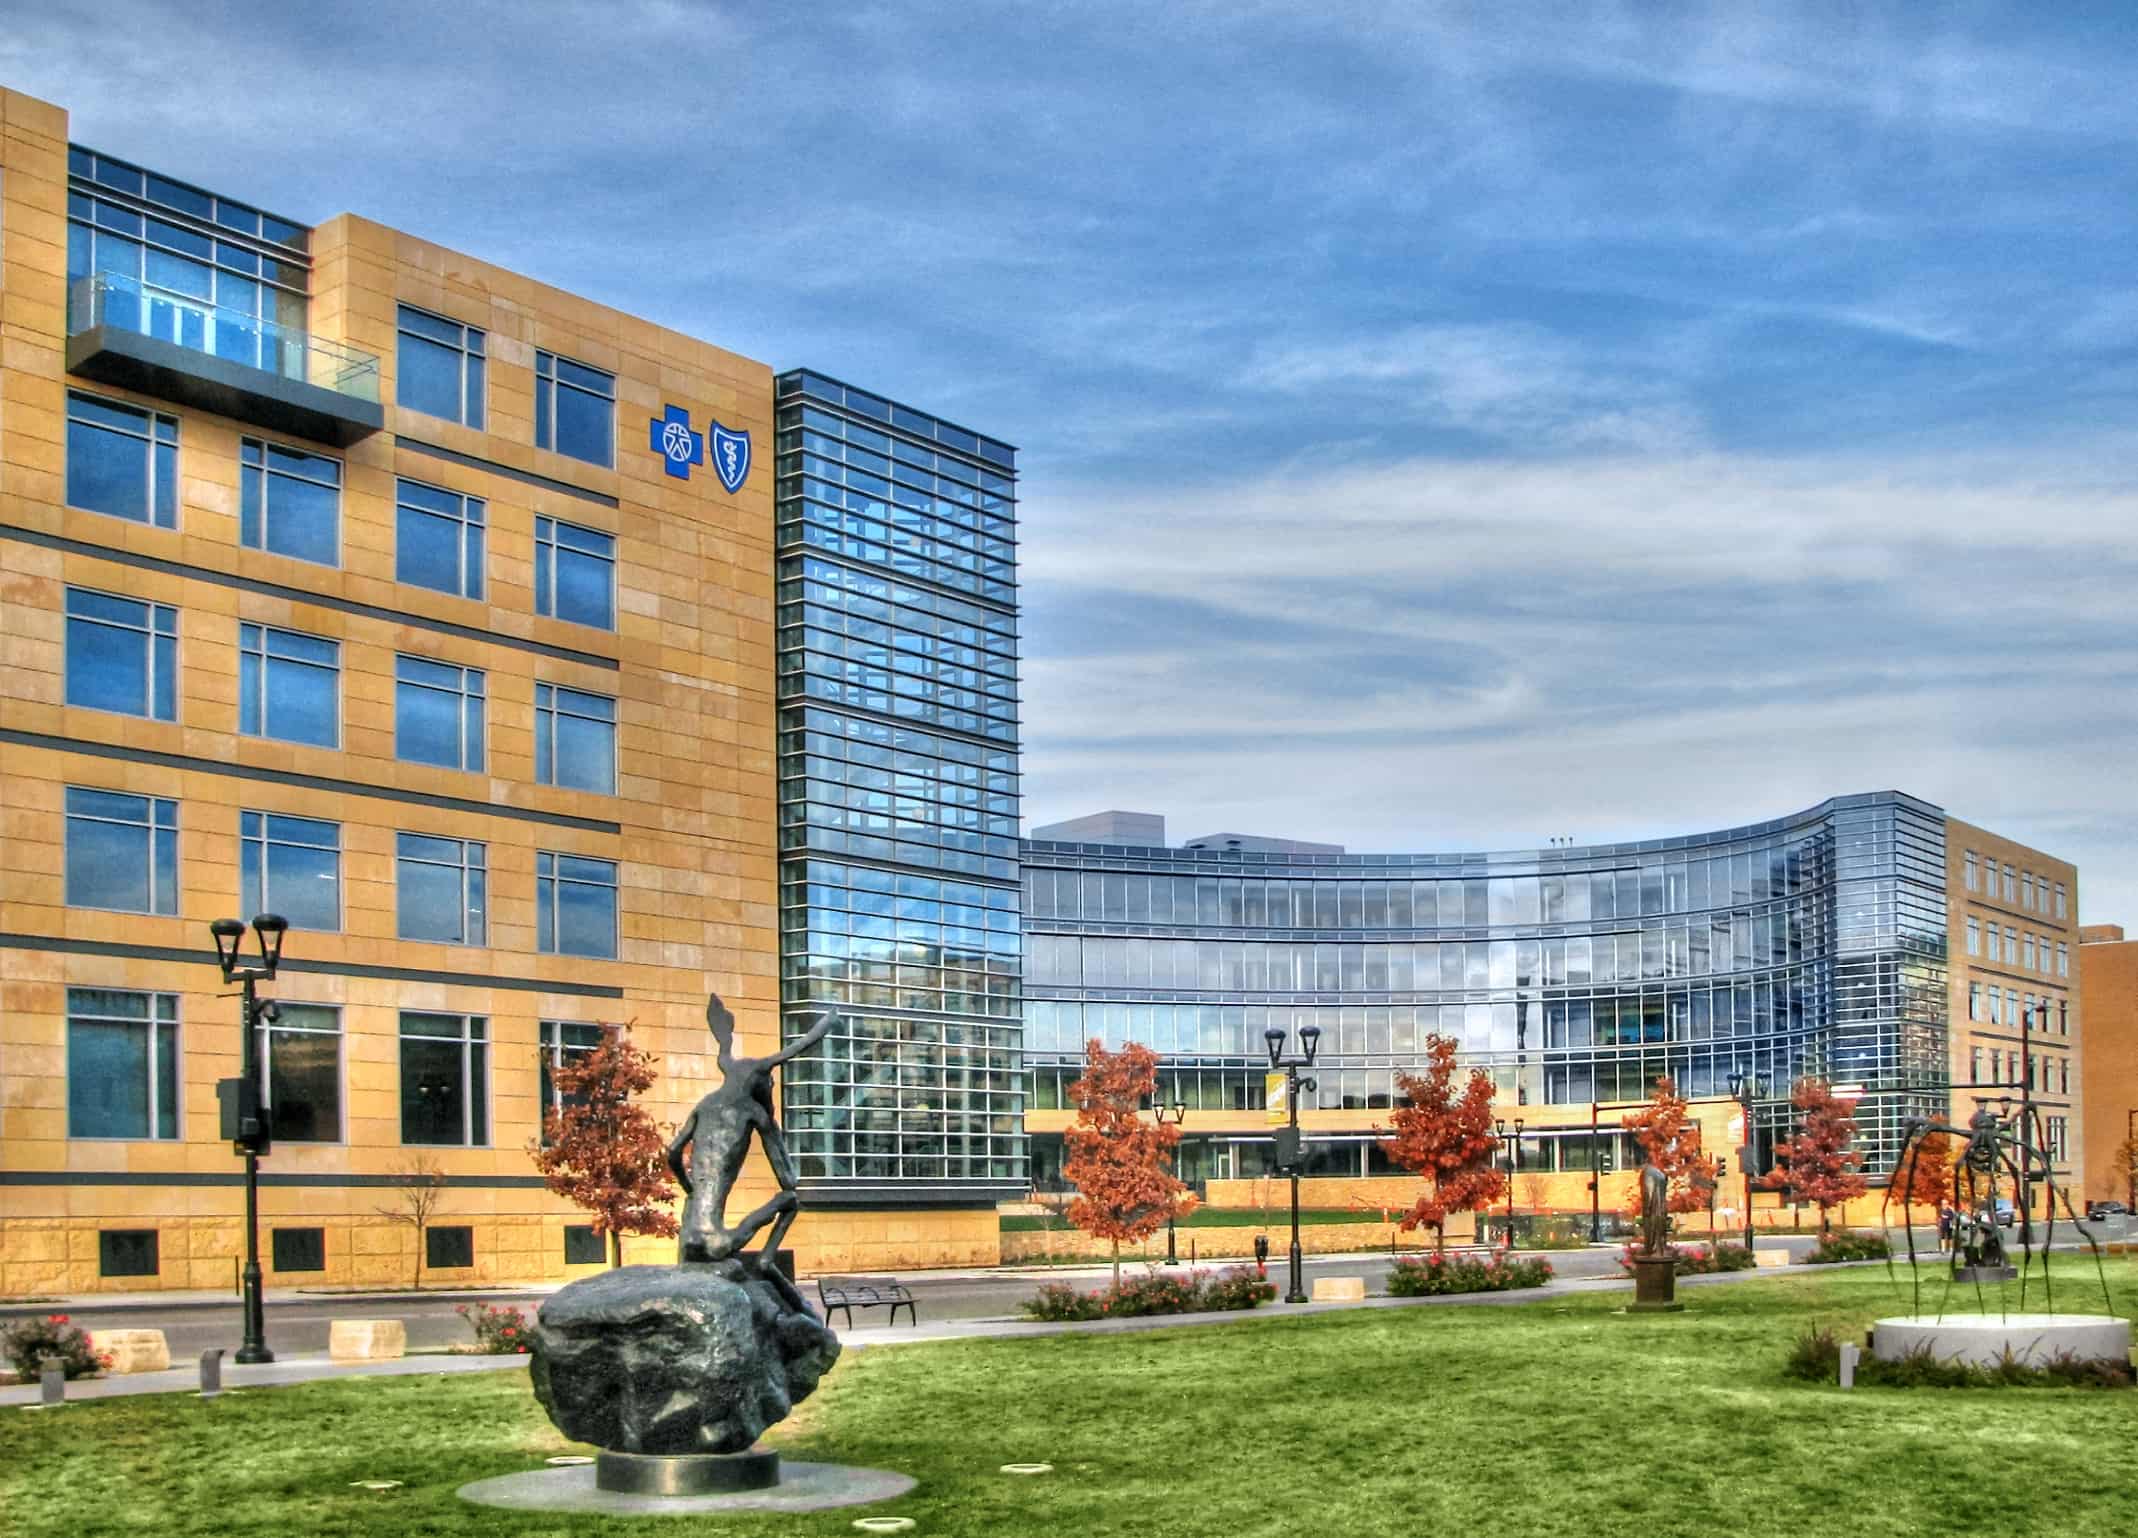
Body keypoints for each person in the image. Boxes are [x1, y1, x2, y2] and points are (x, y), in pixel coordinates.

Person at [667, 994, 836, 1308]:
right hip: (718, 1243)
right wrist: (771, 1120)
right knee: (791, 1202)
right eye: (769, 1082)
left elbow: (672, 1152)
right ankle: (766, 1261)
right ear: (760, 1082)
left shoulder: (705, 1105)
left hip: (689, 1237)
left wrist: (689, 1186)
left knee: (694, 1205)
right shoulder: (753, 1113)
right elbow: (789, 1180)